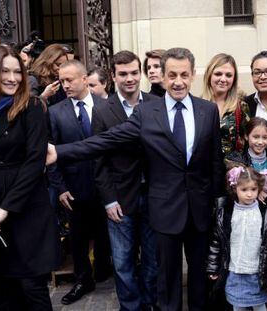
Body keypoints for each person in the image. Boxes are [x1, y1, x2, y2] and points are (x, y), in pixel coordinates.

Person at [46, 47, 225, 311]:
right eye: (172, 75)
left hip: (199, 210)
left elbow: (214, 161)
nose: (178, 82)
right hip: (164, 210)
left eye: (184, 75)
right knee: (167, 280)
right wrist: (59, 151)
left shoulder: (207, 110)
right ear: (162, 76)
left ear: (193, 74)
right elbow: (105, 141)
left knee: (199, 279)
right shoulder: (148, 113)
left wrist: (218, 201)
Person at [0, 45, 59, 310]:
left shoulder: (32, 107)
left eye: (17, 72)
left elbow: (34, 164)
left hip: (26, 210)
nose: (12, 78)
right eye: (4, 71)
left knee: (32, 290)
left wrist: (4, 211)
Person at [92, 50, 158, 310]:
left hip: (154, 196)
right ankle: (130, 307)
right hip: (120, 199)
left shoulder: (155, 104)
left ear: (140, 73)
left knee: (154, 260)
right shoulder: (102, 111)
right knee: (122, 262)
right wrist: (109, 200)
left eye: (134, 73)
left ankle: (150, 304)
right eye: (123, 74)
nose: (129, 78)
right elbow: (99, 161)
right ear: (113, 76)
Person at [48, 60, 110, 305]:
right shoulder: (55, 112)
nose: (65, 85)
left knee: (106, 235)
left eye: (70, 80)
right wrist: (60, 187)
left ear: (85, 79)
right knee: (78, 238)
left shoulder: (107, 107)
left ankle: (106, 271)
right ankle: (83, 279)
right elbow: (50, 154)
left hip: (106, 187)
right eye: (62, 81)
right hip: (73, 189)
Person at [206, 166, 267, 311]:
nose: (249, 194)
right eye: (244, 190)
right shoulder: (226, 213)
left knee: (259, 306)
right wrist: (213, 266)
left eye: (253, 189)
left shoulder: (265, 213)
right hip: (235, 271)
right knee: (238, 306)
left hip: (257, 272)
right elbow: (216, 242)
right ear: (234, 189)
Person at [202, 53, 250, 157]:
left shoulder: (241, 107)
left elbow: (248, 142)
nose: (223, 79)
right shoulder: (197, 105)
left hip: (232, 169)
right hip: (204, 169)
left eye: (228, 75)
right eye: (218, 74)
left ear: (234, 79)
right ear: (209, 75)